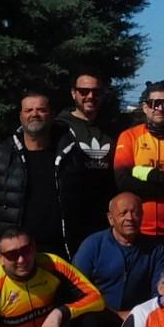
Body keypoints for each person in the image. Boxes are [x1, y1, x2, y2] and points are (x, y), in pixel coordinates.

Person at [109, 81, 164, 263]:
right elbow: (124, 182)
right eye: (153, 103)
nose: (159, 108)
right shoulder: (129, 137)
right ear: (145, 107)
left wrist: (148, 174)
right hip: (138, 230)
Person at [0, 88, 77, 258]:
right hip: (15, 255)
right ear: (21, 116)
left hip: (61, 252)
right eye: (28, 110)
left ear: (52, 115)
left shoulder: (71, 156)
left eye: (41, 110)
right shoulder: (1, 156)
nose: (34, 114)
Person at [77, 192, 164, 315]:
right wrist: (114, 314)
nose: (130, 218)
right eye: (123, 213)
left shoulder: (155, 249)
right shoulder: (93, 245)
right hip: (98, 314)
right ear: (111, 219)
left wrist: (139, 315)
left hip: (139, 316)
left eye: (135, 213)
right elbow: (77, 288)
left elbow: (160, 291)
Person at [59, 72, 117, 244]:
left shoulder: (113, 127)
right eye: (84, 91)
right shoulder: (59, 127)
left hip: (105, 218)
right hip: (71, 216)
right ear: (73, 93)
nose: (90, 96)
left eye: (96, 92)